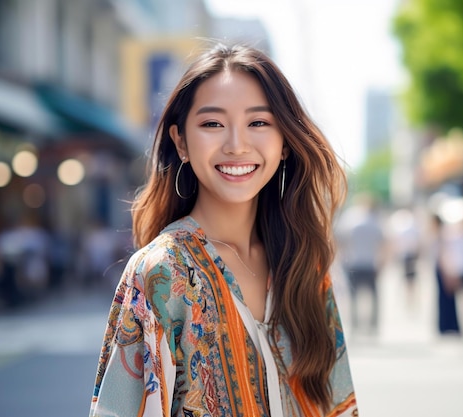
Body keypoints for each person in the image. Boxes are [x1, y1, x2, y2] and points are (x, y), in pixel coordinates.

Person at [89, 43, 358, 416]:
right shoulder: (162, 273)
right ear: (180, 141)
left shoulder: (304, 266)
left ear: (284, 143)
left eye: (258, 123)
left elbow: (339, 403)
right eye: (212, 124)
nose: (236, 145)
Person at [336, 194, 385, 335]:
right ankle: (373, 325)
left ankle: (355, 324)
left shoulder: (350, 219)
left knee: (353, 296)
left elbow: (339, 240)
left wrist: (342, 257)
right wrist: (381, 262)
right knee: (374, 296)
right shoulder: (374, 221)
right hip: (370, 263)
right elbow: (383, 243)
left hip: (353, 262)